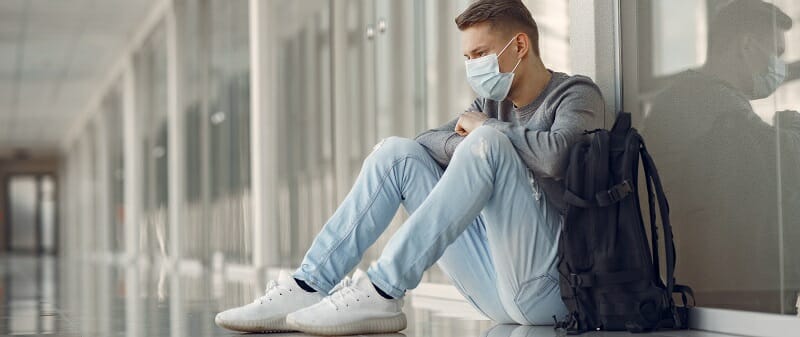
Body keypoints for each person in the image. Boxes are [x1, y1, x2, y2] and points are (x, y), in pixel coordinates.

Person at [215, 0, 605, 335]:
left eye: (480, 55)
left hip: (553, 290)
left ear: (519, 45)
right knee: (396, 153)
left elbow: (556, 157)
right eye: (467, 58)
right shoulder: (492, 103)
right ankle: (309, 282)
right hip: (494, 288)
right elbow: (424, 142)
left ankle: (384, 288)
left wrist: (486, 132)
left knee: (487, 142)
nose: (472, 67)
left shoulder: (574, 94)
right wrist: (475, 137)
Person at [643, 0, 799, 312]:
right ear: (747, 45)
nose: (779, 66)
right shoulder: (708, 103)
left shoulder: (692, 98)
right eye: (777, 52)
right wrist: (791, 125)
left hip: (702, 292)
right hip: (725, 300)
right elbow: (784, 164)